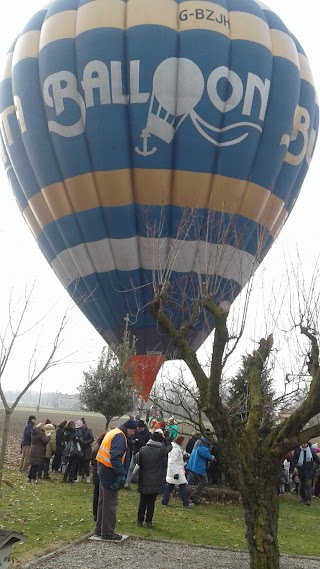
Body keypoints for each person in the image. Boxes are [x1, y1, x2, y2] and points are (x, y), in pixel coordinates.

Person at [94, 419, 137, 541]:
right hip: (110, 472)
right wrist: (121, 474)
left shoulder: (113, 432)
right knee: (110, 503)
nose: (132, 433)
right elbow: (115, 457)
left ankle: (99, 529)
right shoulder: (120, 436)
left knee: (103, 502)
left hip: (102, 468)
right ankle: (107, 532)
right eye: (132, 431)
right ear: (129, 429)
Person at [135, 429, 172, 527]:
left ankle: (139, 520)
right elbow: (170, 446)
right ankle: (149, 521)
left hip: (144, 479)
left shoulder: (143, 449)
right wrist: (165, 439)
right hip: (156, 480)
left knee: (142, 501)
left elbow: (138, 462)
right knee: (151, 502)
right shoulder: (161, 451)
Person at [162, 435, 194, 508]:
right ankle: (186, 503)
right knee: (182, 487)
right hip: (177, 471)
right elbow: (173, 461)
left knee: (170, 486)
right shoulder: (176, 449)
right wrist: (176, 473)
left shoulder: (175, 448)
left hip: (174, 471)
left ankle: (165, 501)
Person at [186, 436, 215, 504]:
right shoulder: (203, 445)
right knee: (204, 481)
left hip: (193, 464)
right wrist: (212, 457)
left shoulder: (199, 442)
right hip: (198, 465)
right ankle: (195, 495)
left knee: (201, 481)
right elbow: (205, 454)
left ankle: (195, 496)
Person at [291, 441, 320, 506]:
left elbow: (316, 458)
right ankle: (303, 497)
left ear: (307, 444)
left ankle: (308, 500)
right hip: (301, 470)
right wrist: (294, 468)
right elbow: (293, 459)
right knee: (302, 484)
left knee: (308, 484)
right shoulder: (298, 450)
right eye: (302, 444)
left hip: (309, 470)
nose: (304, 445)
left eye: (305, 444)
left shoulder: (310, 450)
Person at [124, 420, 150, 489]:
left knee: (141, 470)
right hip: (135, 452)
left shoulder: (148, 434)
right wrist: (134, 442)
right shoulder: (135, 432)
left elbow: (147, 444)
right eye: (137, 428)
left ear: (143, 427)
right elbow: (131, 439)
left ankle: (141, 484)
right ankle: (127, 482)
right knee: (131, 468)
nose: (138, 430)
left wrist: (139, 442)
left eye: (139, 429)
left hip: (143, 454)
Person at [92, 432, 106, 521]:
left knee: (96, 494)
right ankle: (98, 514)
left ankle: (95, 513)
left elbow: (93, 462)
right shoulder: (102, 449)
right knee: (100, 495)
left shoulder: (96, 447)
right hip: (100, 474)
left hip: (95, 473)